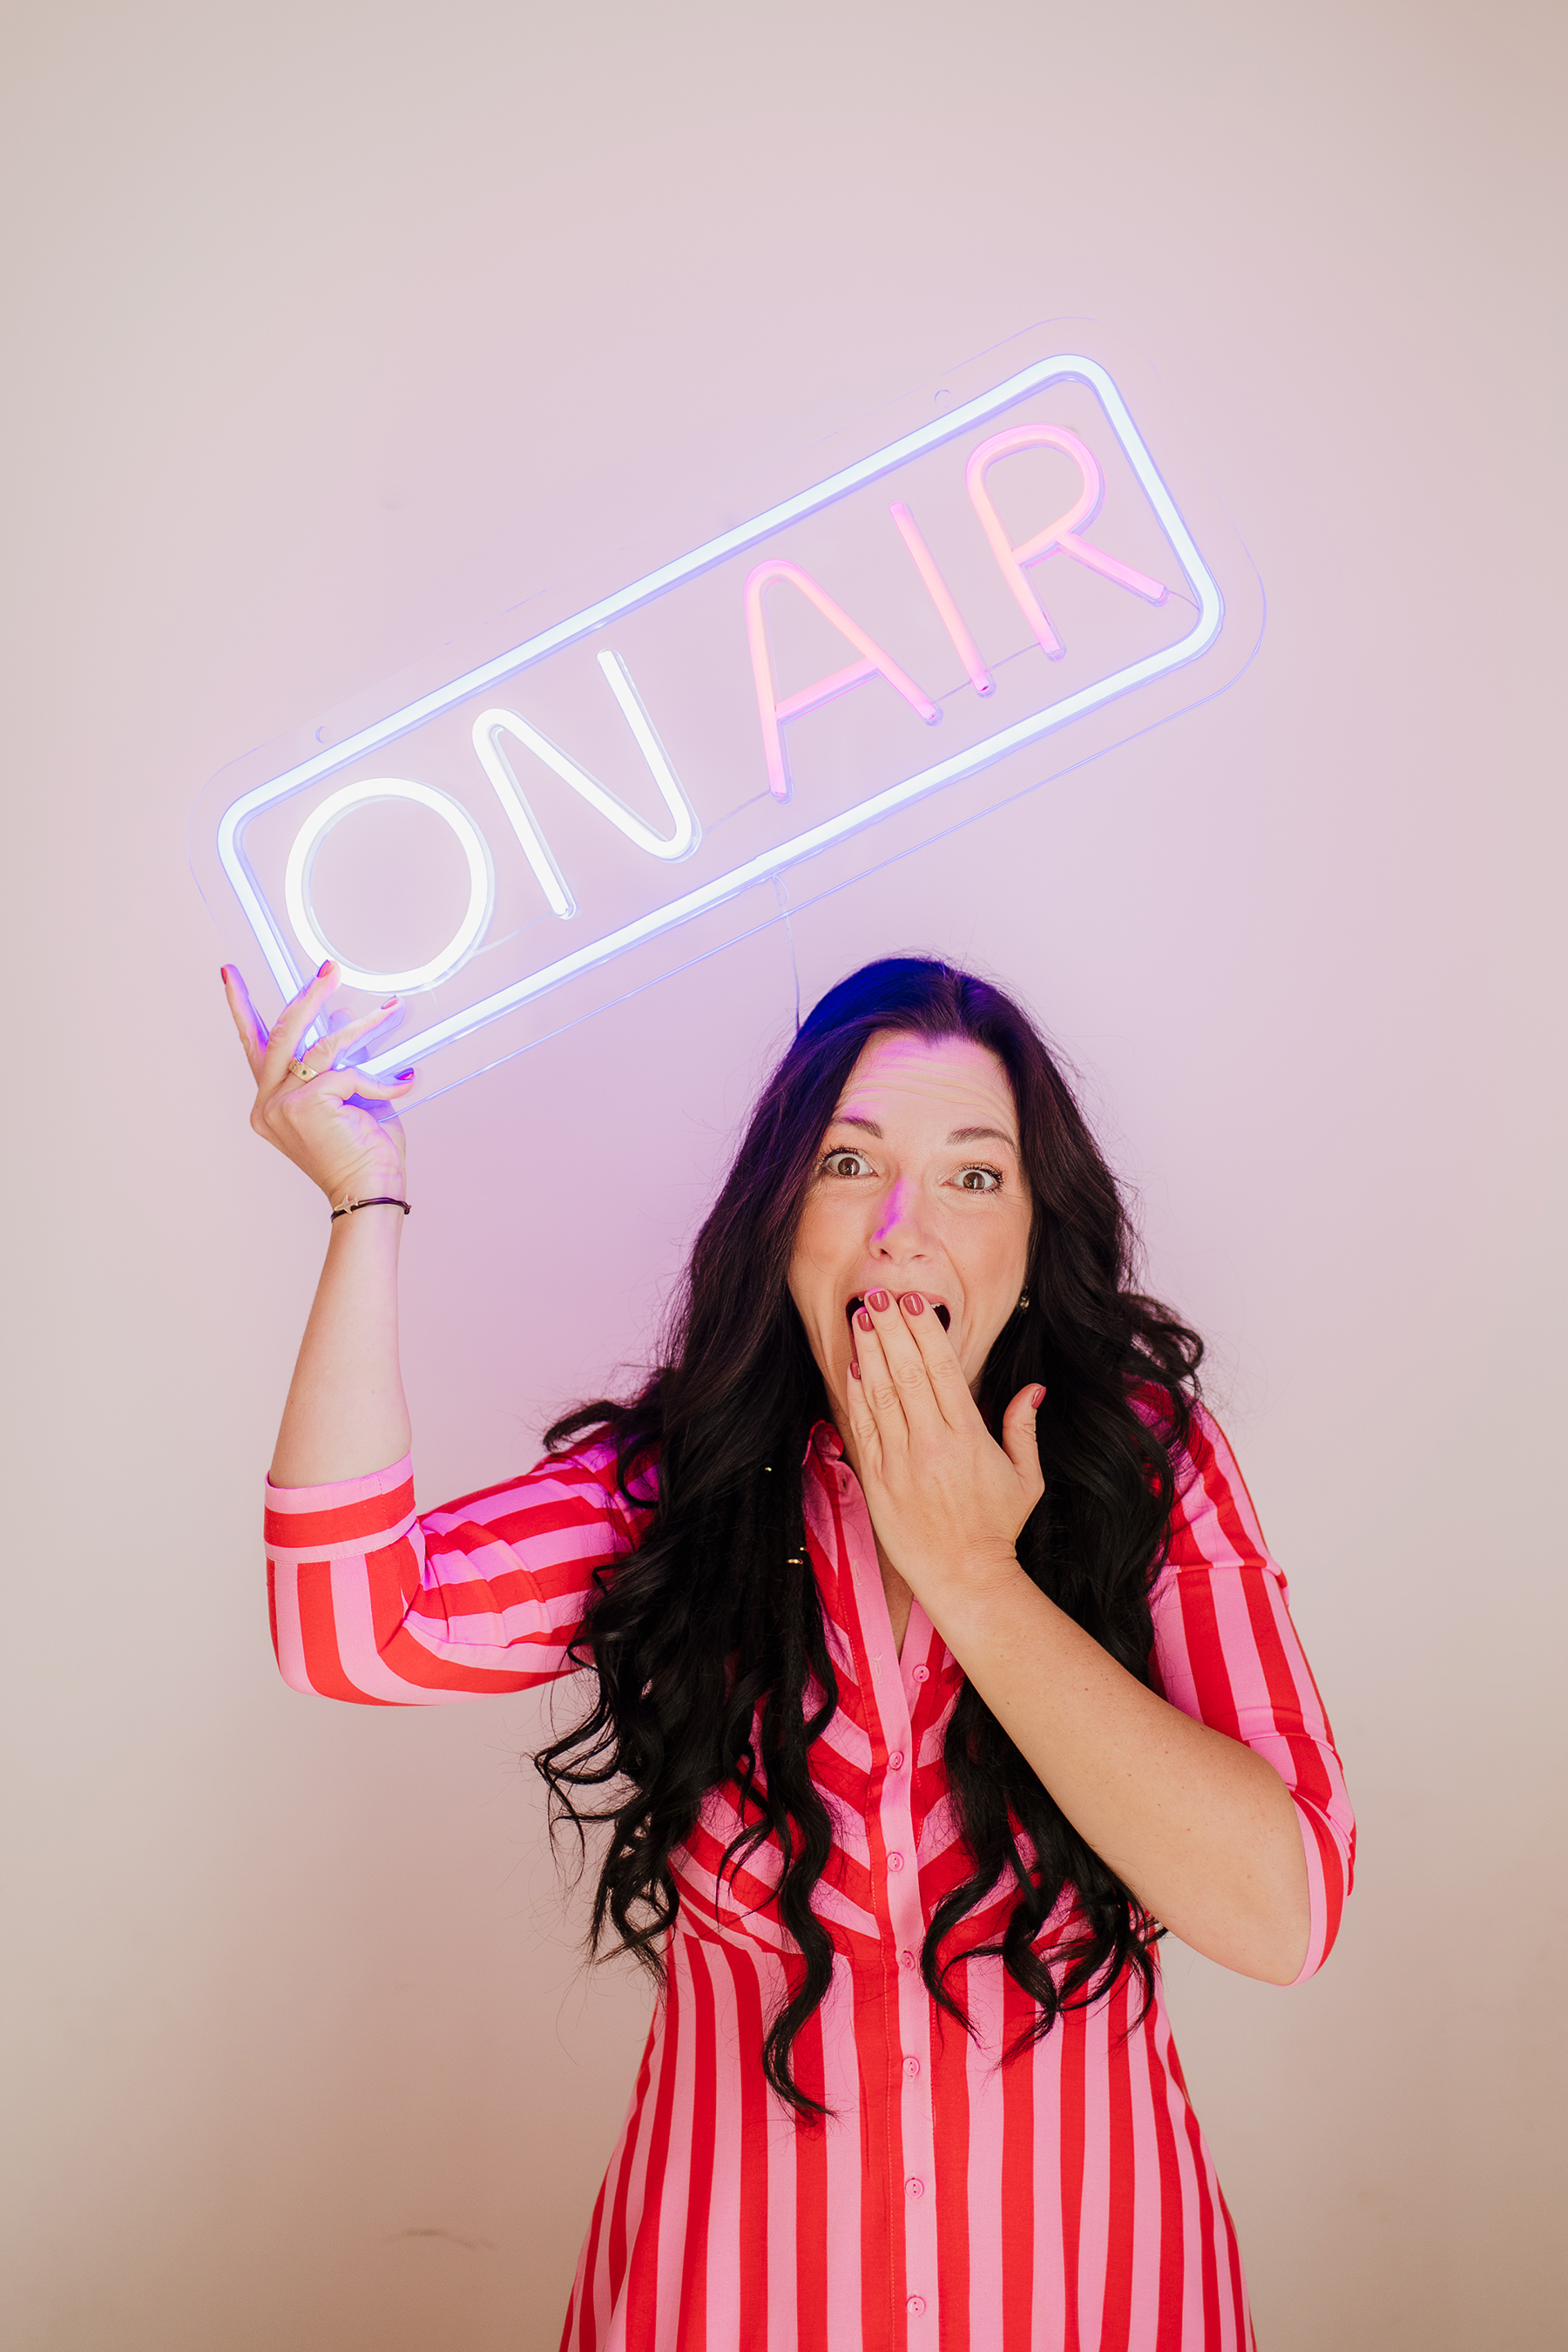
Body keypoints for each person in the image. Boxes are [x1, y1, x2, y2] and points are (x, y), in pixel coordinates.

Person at [223, 950, 1354, 2352]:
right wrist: (365, 1202)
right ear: (779, 1218)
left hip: (1101, 2303)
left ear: (1033, 1238)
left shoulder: (1146, 1463)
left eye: (974, 1176)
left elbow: (1285, 1910)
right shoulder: (673, 1487)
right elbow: (346, 1629)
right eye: (847, 1163)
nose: (903, 1223)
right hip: (720, 2304)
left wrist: (971, 1577)